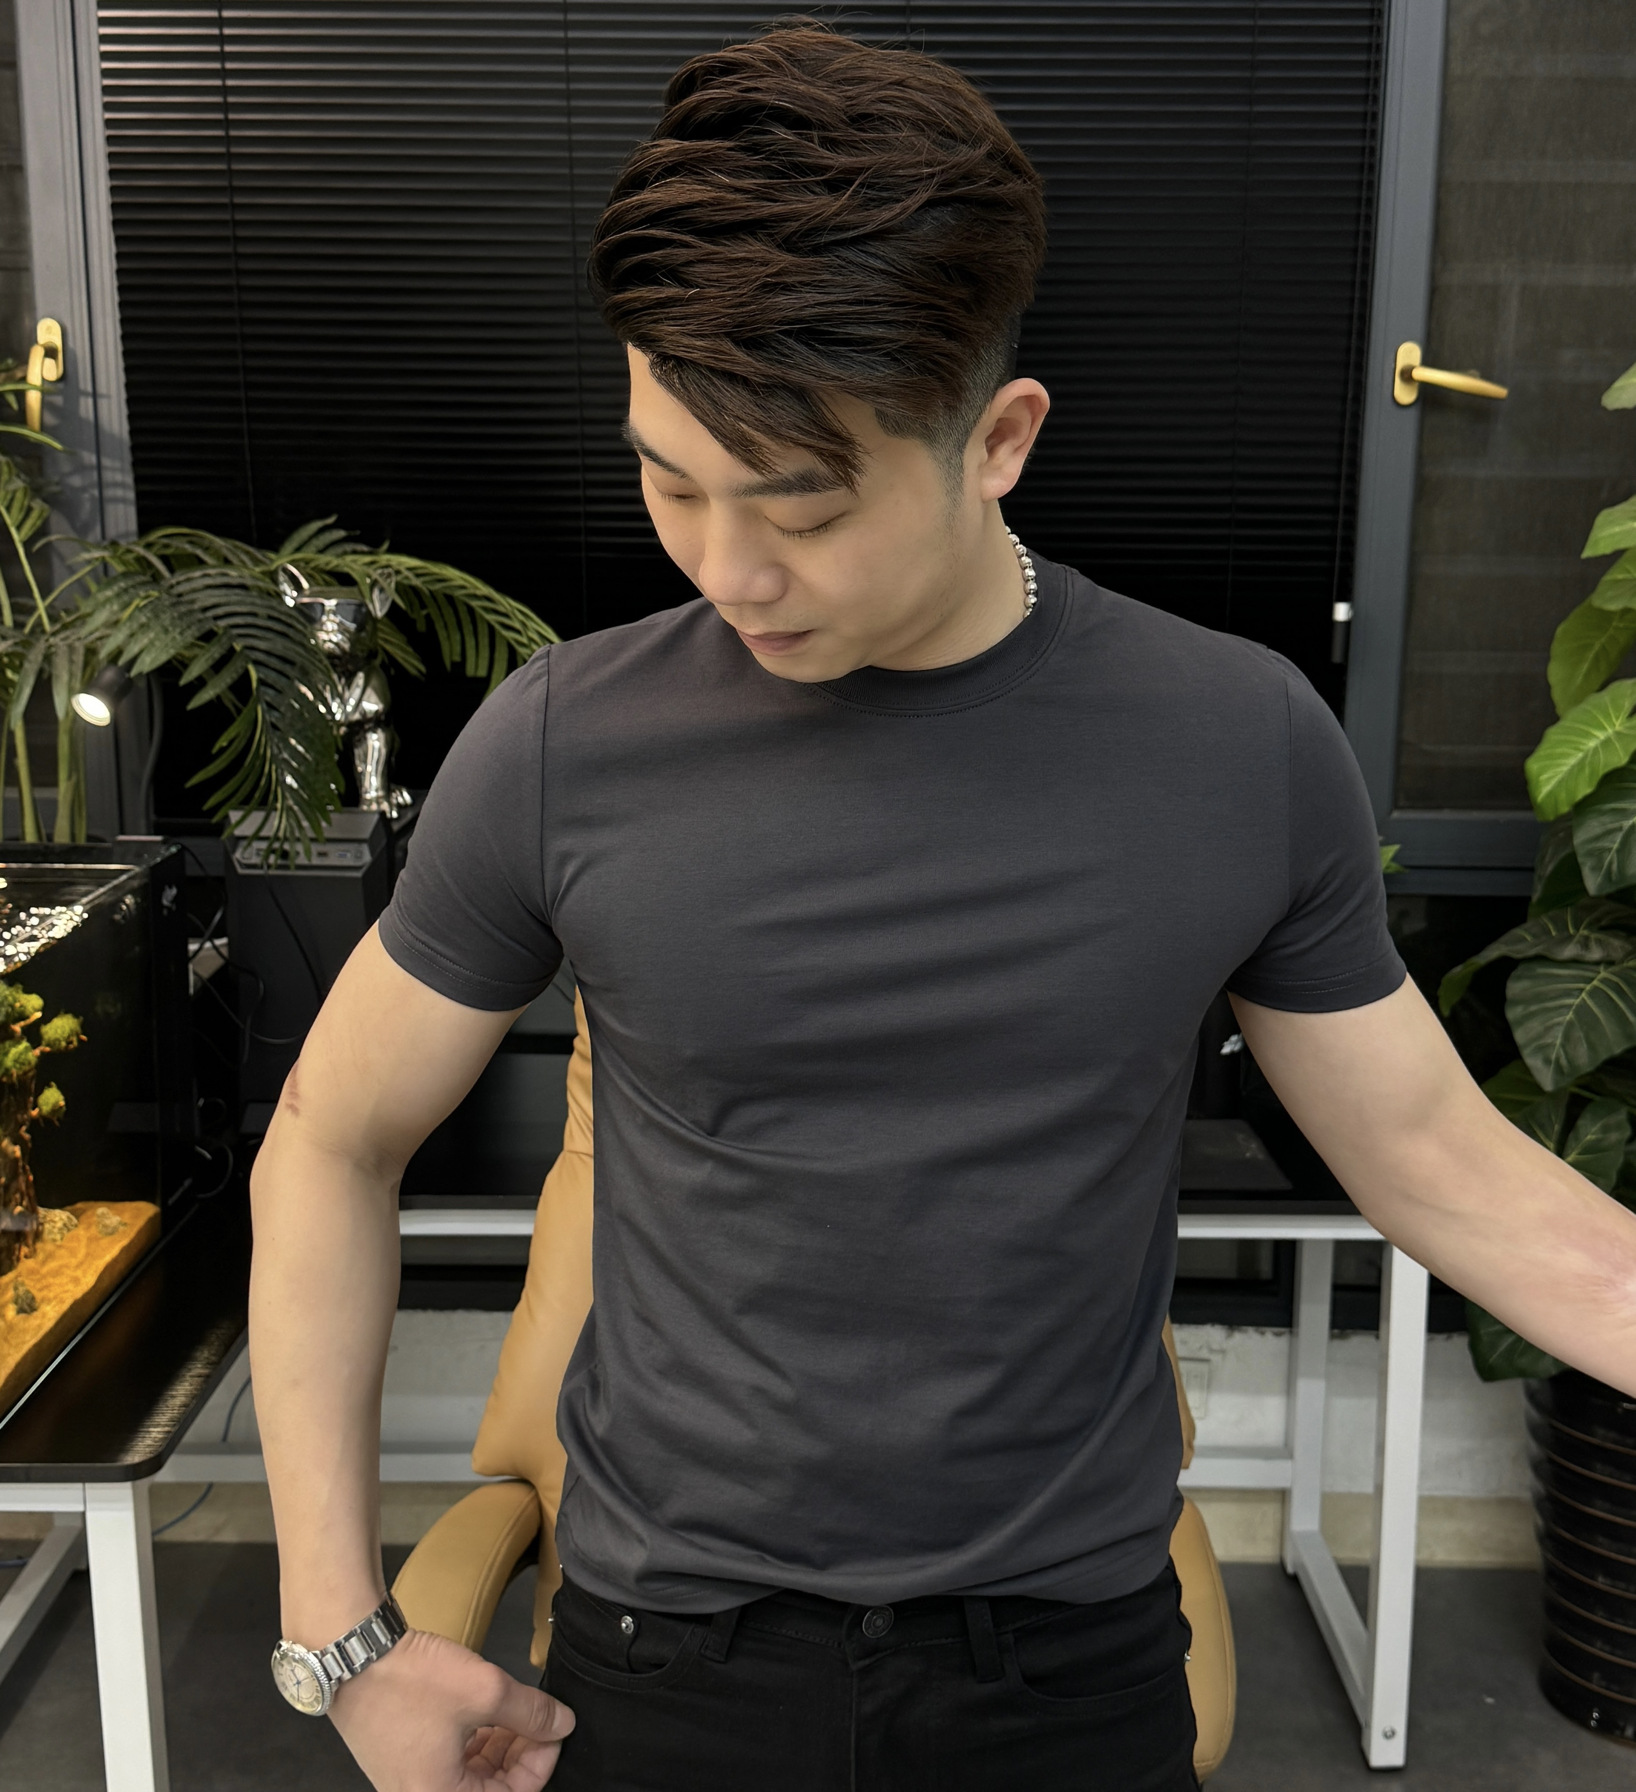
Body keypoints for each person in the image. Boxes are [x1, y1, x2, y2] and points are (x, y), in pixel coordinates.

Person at [248, 23, 1636, 1792]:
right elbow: (332, 1138)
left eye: (803, 508)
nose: (728, 570)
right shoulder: (562, 744)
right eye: (669, 480)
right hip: (665, 1654)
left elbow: (1440, 1164)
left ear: (1001, 440)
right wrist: (339, 1636)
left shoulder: (1235, 741)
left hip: (1067, 1665)